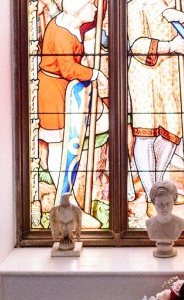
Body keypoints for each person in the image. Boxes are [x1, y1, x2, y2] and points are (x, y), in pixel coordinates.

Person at [128, 0, 184, 216]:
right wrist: (169, 46)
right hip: (145, 77)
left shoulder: (175, 1)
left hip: (170, 75)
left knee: (171, 134)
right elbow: (137, 45)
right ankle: (154, 193)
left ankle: (159, 187)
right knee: (146, 134)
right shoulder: (136, 6)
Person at [37, 0, 108, 201]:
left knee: (104, 120)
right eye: (91, 5)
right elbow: (67, 69)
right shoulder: (61, 33)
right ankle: (66, 200)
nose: (95, 8)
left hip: (70, 89)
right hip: (53, 92)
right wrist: (94, 73)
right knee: (59, 147)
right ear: (79, 10)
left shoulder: (73, 24)